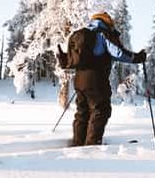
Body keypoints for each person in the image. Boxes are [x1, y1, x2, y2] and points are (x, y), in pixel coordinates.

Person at [57, 12, 146, 146]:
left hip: (79, 79)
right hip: (96, 79)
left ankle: (78, 144)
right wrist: (137, 57)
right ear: (107, 22)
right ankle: (92, 145)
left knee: (82, 112)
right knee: (100, 110)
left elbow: (71, 59)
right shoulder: (102, 34)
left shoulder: (80, 35)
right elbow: (118, 53)